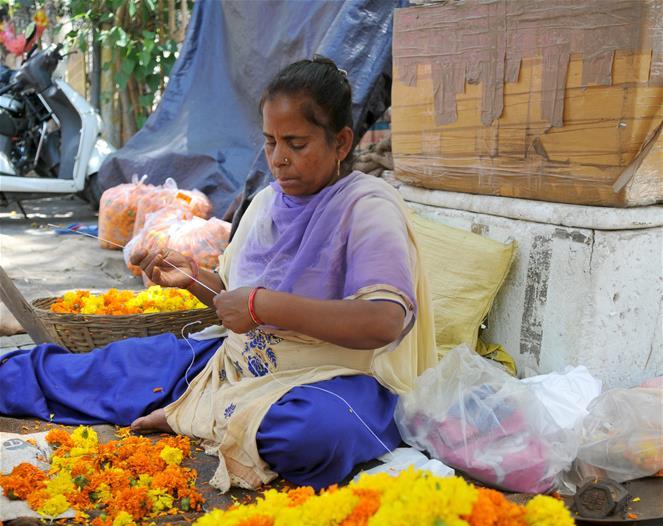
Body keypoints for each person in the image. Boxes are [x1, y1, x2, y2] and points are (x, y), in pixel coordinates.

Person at [1, 57, 435, 491]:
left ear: (341, 142)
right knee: (89, 372)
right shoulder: (267, 203)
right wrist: (193, 280)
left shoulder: (367, 207)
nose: (279, 159)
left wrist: (260, 305)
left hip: (330, 382)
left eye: (296, 144)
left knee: (313, 433)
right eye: (270, 142)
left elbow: (383, 320)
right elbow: (235, 301)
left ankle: (192, 413)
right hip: (231, 364)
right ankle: (195, 409)